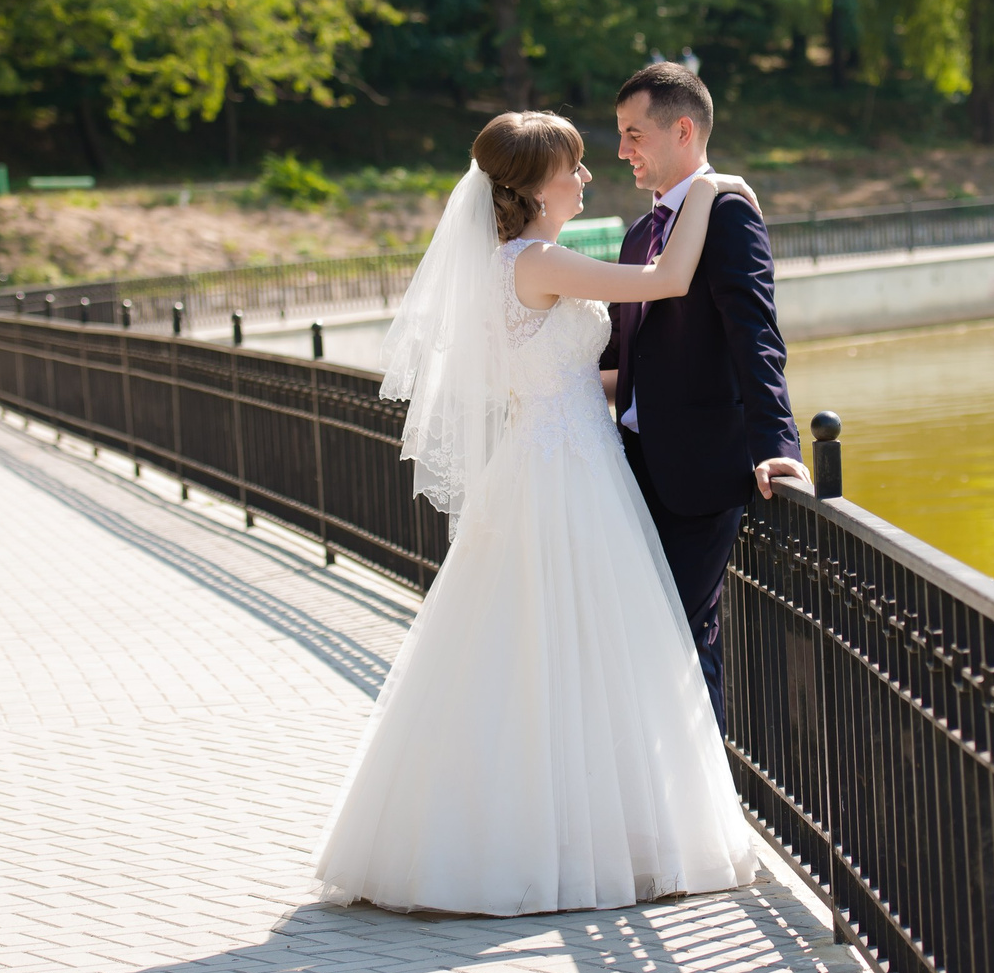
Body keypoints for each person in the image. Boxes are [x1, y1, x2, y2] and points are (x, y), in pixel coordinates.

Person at [313, 111, 764, 916]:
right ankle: (597, 840)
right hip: (570, 474)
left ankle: (521, 836)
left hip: (544, 455)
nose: (586, 177)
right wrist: (715, 190)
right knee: (593, 648)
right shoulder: (541, 261)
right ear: (534, 186)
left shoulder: (501, 267)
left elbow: (551, 377)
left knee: (530, 651)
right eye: (575, 166)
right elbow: (668, 280)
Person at [602, 62, 808, 727]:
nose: (622, 150)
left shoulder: (728, 216)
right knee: (636, 643)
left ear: (682, 130)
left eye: (634, 134)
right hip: (625, 469)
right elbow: (620, 356)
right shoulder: (639, 234)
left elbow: (756, 336)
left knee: (684, 646)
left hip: (697, 476)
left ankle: (708, 812)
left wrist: (777, 444)